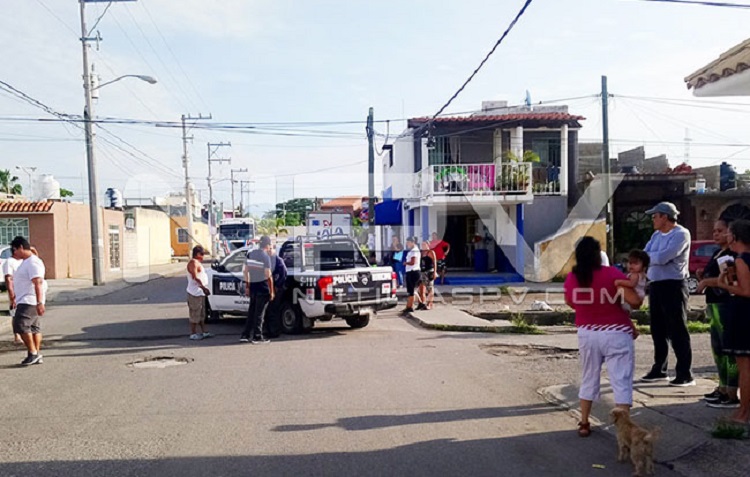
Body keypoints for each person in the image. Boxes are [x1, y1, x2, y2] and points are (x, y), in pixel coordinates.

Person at [564, 237, 641, 438]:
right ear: (598, 255)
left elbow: (571, 302)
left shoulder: (572, 278)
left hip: (587, 333)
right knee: (621, 379)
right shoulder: (612, 274)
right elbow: (634, 301)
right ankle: (623, 429)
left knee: (589, 376)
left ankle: (584, 423)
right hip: (616, 333)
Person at [642, 201, 694, 387]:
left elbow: (664, 257)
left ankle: (684, 373)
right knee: (658, 328)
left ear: (665, 217)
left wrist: (651, 258)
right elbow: (644, 255)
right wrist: (651, 258)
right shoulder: (656, 235)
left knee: (677, 328)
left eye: (655, 216)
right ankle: (659, 368)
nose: (653, 220)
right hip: (656, 284)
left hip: (673, 284)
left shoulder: (681, 234)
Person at [696, 219, 739, 409]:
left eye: (720, 231)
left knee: (728, 349)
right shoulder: (716, 253)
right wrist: (702, 276)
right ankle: (722, 386)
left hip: (725, 304)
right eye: (714, 231)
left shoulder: (731, 255)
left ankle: (731, 390)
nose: (716, 234)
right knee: (718, 348)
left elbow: (729, 280)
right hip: (713, 303)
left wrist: (707, 282)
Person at [714, 219, 750, 423]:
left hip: (744, 314)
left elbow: (745, 290)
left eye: (728, 233)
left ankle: (744, 412)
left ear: (735, 237)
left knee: (745, 367)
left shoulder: (741, 259)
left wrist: (724, 285)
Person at [9, 236, 46, 366]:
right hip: (26, 299)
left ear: (20, 247)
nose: (14, 253)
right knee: (34, 328)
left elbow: (38, 282)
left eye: (14, 250)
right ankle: (35, 354)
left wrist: (39, 302)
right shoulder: (27, 261)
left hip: (29, 300)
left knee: (20, 325)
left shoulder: (33, 262)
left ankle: (33, 352)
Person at [241, 236, 274, 344]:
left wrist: (247, 286)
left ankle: (245, 335)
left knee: (251, 312)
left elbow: (245, 271)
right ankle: (257, 336)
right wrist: (272, 291)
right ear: (267, 245)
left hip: (253, 287)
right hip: (263, 288)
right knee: (260, 314)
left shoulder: (251, 254)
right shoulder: (265, 257)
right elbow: (268, 275)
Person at [186, 245, 212, 341]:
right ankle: (193, 333)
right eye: (202, 254)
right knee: (195, 314)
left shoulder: (198, 263)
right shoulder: (193, 263)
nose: (203, 256)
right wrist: (203, 287)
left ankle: (204, 331)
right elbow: (195, 277)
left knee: (201, 314)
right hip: (194, 293)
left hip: (200, 293)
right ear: (197, 254)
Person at [265, 246, 288, 338]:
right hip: (269, 288)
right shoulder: (268, 260)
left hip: (276, 289)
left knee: (273, 310)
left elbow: (284, 273)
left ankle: (274, 331)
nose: (269, 251)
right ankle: (269, 330)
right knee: (268, 310)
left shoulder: (278, 260)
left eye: (270, 249)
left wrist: (277, 285)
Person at [3, 246, 23, 345]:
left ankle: (25, 333)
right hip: (16, 291)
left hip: (25, 291)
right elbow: (8, 279)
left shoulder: (24, 261)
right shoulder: (9, 262)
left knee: (25, 313)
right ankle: (17, 335)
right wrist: (12, 295)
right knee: (15, 313)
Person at [402, 236, 422, 314]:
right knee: (413, 290)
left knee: (411, 291)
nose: (407, 244)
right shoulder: (413, 250)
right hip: (412, 271)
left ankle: (409, 307)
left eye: (408, 242)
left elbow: (413, 262)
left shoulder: (414, 251)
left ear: (413, 242)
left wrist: (405, 263)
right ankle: (421, 303)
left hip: (413, 272)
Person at [417, 241, 437, 310]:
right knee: (421, 289)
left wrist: (435, 272)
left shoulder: (431, 252)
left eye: (424, 244)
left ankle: (429, 304)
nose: (423, 246)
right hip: (422, 272)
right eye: (422, 244)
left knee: (430, 288)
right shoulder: (421, 252)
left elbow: (434, 263)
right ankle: (423, 303)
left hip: (429, 271)